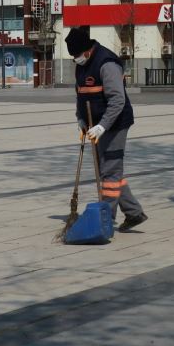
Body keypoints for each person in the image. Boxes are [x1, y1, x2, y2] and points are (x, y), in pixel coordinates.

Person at [66, 26, 147, 231]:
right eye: (73, 56)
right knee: (110, 170)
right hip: (95, 123)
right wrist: (81, 119)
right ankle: (134, 213)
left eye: (77, 55)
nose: (76, 59)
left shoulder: (107, 64)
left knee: (109, 170)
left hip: (116, 123)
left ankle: (106, 219)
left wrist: (102, 126)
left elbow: (117, 100)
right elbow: (81, 95)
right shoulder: (81, 64)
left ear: (87, 50)